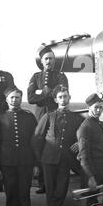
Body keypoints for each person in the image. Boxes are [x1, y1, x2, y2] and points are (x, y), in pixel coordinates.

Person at [31, 85, 84, 206]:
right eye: (60, 97)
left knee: (60, 193)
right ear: (55, 99)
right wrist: (39, 161)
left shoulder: (77, 118)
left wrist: (80, 143)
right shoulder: (48, 116)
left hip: (66, 161)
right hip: (48, 160)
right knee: (50, 195)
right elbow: (37, 138)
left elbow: (87, 134)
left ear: (69, 97)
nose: (63, 99)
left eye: (65, 96)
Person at [0, 87, 38, 206]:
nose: (14, 100)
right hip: (7, 164)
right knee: (11, 196)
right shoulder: (0, 118)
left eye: (17, 97)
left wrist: (36, 164)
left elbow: (35, 142)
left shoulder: (29, 117)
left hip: (26, 164)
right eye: (11, 97)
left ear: (21, 99)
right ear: (6, 99)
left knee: (24, 196)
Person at [28, 46, 69, 194]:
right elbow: (31, 98)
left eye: (51, 58)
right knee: (40, 144)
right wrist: (49, 92)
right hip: (40, 116)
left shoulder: (60, 76)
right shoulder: (35, 77)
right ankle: (42, 183)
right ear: (41, 60)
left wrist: (43, 93)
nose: (49, 61)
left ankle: (55, 181)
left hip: (55, 115)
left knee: (55, 145)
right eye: (46, 58)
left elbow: (63, 93)